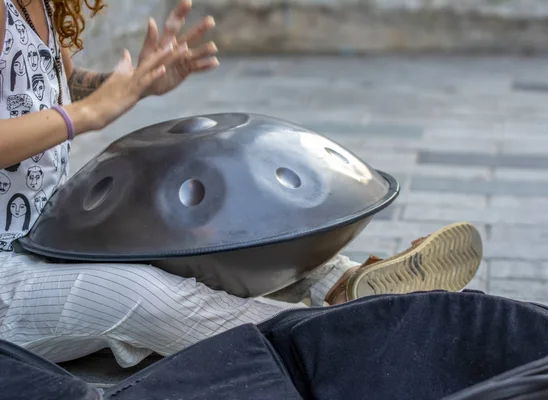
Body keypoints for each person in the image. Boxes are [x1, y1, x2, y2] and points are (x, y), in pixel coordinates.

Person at [0, 0, 484, 368]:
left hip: (45, 232)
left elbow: (54, 83)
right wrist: (89, 114)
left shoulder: (41, 5)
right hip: (6, 274)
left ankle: (345, 283)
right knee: (145, 294)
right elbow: (72, 111)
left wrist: (130, 85)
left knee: (201, 239)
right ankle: (345, 341)